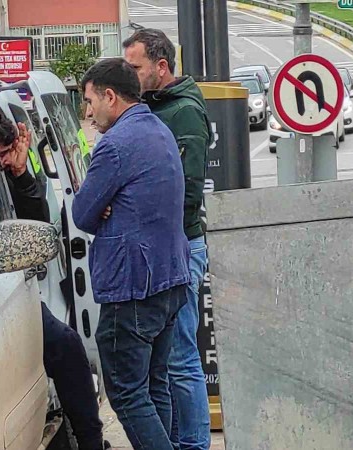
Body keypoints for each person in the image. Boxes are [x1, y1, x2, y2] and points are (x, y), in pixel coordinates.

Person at [73, 58, 191, 450]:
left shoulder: (115, 146)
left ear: (110, 96)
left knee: (126, 392)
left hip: (133, 288)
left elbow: (82, 213)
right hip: (170, 277)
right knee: (155, 385)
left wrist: (105, 204)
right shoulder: (158, 129)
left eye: (90, 102)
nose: (88, 113)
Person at [0, 105, 109, 450]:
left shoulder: (7, 174)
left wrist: (21, 175)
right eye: (1, 155)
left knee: (66, 345)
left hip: (7, 286)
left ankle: (90, 440)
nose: (6, 161)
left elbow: (36, 222)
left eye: (9, 153)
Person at [123, 28, 212, 450]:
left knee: (179, 359)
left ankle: (194, 444)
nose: (130, 76)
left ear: (162, 66)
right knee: (163, 364)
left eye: (135, 68)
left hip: (180, 246)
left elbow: (188, 188)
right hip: (165, 247)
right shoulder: (156, 106)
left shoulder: (183, 111)